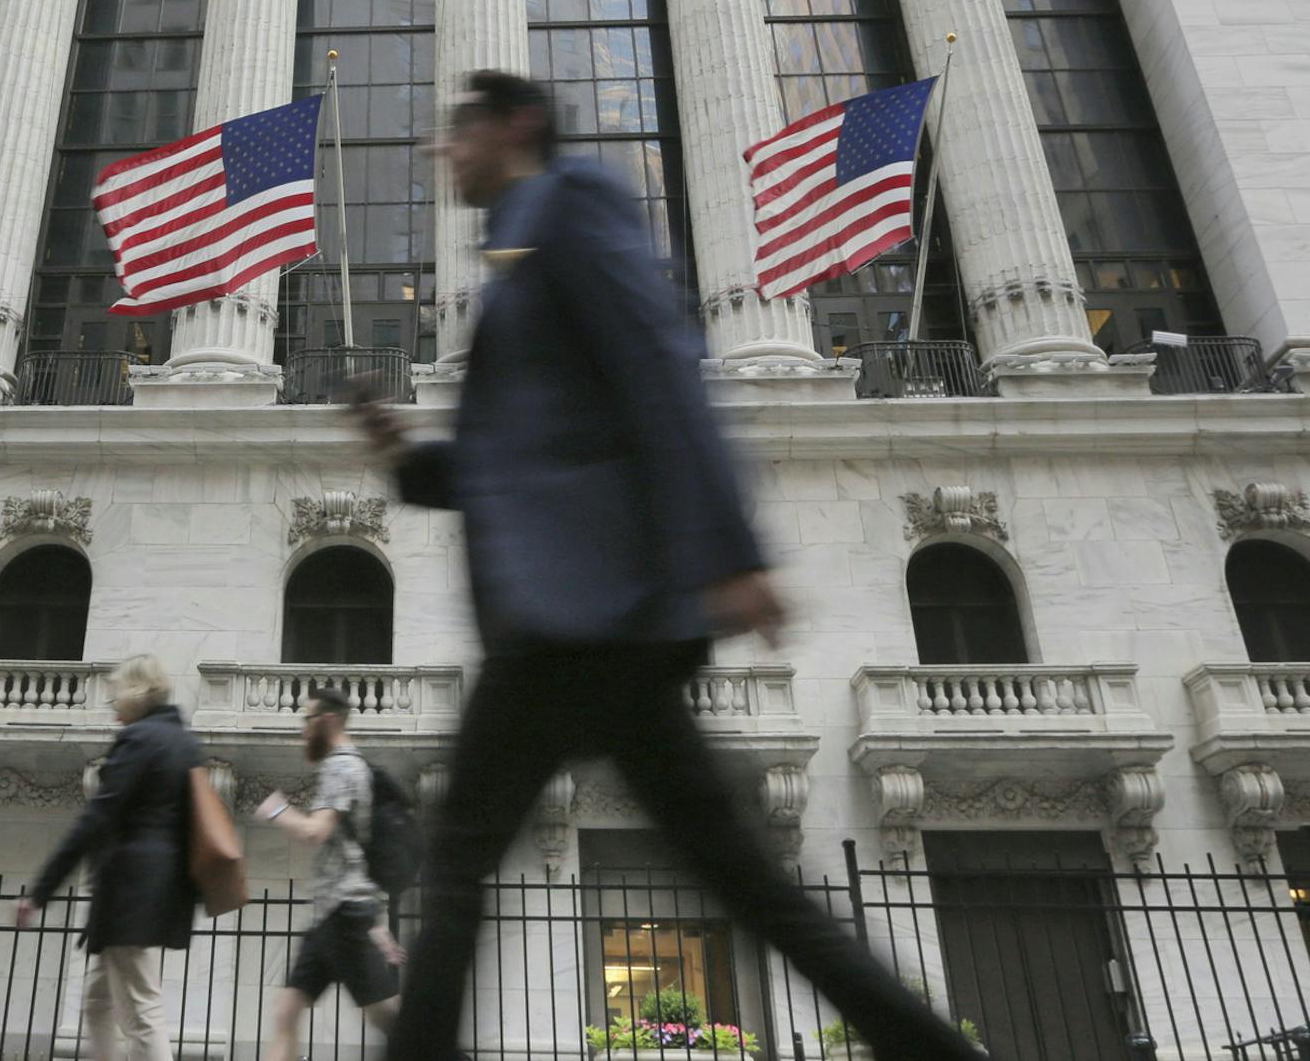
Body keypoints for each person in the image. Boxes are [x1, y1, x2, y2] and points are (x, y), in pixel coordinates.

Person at [358, 71, 987, 1061]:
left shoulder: (575, 208)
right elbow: (514, 461)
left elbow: (658, 364)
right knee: (739, 881)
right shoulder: (518, 256)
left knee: (461, 861)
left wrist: (727, 551)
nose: (445, 154)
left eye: (459, 133)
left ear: (515, 125)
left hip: (587, 616)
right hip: (581, 625)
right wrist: (405, 459)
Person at [15, 656, 200, 1061]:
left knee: (141, 1010)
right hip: (161, 890)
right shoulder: (184, 742)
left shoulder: (140, 740)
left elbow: (97, 817)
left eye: (116, 694)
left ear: (135, 692)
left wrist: (41, 890)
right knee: (98, 1004)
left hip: (131, 892)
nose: (112, 702)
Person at [253, 686, 405, 1061]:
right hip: (336, 914)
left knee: (387, 1018)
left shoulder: (340, 766)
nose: (303, 730)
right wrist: (377, 922)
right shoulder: (353, 766)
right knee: (287, 1011)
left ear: (328, 720)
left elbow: (314, 831)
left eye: (307, 720)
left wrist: (275, 809)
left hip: (344, 915)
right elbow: (358, 851)